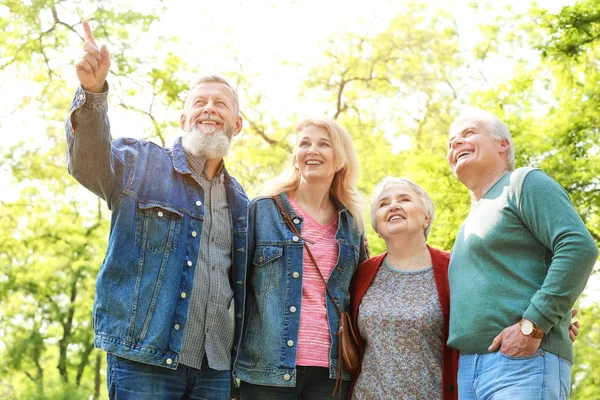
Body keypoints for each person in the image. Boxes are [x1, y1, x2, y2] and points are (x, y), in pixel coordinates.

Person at [67, 20, 248, 399]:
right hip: (143, 360)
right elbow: (90, 163)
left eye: (220, 104)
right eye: (199, 102)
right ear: (183, 120)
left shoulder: (242, 203)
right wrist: (93, 92)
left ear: (237, 124)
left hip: (214, 367)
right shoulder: (141, 164)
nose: (209, 109)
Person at [446, 109, 598, 399]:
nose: (455, 145)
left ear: (502, 144)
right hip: (469, 370)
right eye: (451, 142)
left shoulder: (522, 182)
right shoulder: (469, 223)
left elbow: (578, 245)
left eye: (467, 134)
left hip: (523, 363)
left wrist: (535, 325)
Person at [233, 117, 368, 399]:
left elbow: (359, 297)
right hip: (266, 369)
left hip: (331, 372)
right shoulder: (262, 210)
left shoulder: (352, 225)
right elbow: (236, 288)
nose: (312, 150)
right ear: (296, 156)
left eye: (323, 144)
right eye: (304, 144)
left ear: (340, 160)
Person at [349, 177, 459, 400]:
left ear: (426, 217)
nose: (393, 206)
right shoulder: (362, 273)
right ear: (377, 227)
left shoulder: (453, 269)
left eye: (404, 199)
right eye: (383, 204)